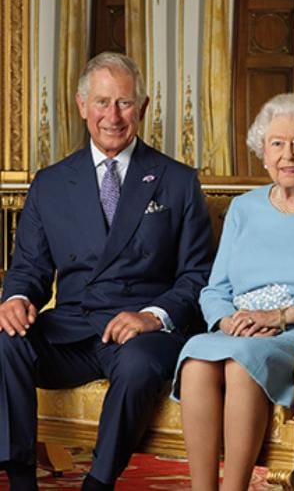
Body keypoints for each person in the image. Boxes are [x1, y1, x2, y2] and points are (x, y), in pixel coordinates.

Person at [0, 52, 212, 491]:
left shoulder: (177, 181)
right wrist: (16, 299)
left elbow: (198, 276)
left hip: (142, 332)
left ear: (143, 107)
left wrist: (152, 316)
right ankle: (19, 477)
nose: (112, 116)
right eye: (101, 102)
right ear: (82, 106)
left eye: (124, 103)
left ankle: (98, 482)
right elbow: (29, 268)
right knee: (6, 340)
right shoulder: (50, 183)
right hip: (72, 329)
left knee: (137, 364)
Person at [173, 93, 294, 491]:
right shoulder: (244, 208)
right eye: (277, 143)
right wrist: (227, 321)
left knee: (241, 362)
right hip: (243, 330)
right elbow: (215, 288)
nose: (288, 155)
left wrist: (282, 317)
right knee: (195, 360)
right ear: (263, 152)